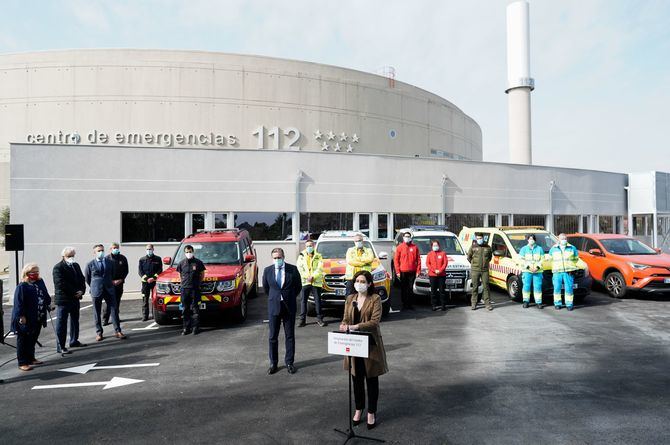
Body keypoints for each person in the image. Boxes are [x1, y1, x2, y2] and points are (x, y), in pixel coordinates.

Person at [339, 270, 388, 430]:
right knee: (356, 379)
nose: (359, 284)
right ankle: (359, 409)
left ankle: (371, 412)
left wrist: (356, 326)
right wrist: (344, 324)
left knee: (371, 380)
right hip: (353, 344)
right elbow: (346, 317)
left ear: (369, 284)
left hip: (370, 345)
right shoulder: (350, 298)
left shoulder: (375, 299)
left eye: (362, 281)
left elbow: (375, 321)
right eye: (357, 281)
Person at [262, 247, 302, 375]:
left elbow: (298, 286)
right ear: (272, 258)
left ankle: (289, 362)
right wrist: (275, 298)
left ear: (283, 257)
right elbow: (266, 288)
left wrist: (288, 296)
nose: (277, 260)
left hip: (289, 306)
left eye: (279, 257)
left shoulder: (292, 269)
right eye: (275, 258)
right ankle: (273, 363)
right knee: (273, 336)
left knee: (289, 336)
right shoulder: (267, 270)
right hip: (274, 307)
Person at [12, 263, 51, 371]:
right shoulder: (22, 286)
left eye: (37, 271)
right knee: (23, 339)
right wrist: (21, 316)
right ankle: (22, 362)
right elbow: (18, 303)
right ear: (27, 273)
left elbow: (45, 294)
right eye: (32, 272)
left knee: (33, 338)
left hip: (38, 315)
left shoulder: (39, 282)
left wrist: (48, 303)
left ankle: (31, 358)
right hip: (26, 317)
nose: (35, 274)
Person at [85, 244, 126, 341]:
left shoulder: (110, 262)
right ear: (94, 252)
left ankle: (118, 331)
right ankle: (99, 333)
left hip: (109, 288)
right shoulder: (90, 264)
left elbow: (111, 274)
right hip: (96, 290)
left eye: (102, 250)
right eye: (99, 251)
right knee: (97, 312)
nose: (101, 252)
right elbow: (87, 278)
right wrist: (95, 286)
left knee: (114, 309)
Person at [53, 246, 87, 352]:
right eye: (69, 256)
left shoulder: (75, 265)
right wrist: (74, 292)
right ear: (63, 256)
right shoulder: (58, 267)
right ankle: (61, 346)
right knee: (62, 323)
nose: (71, 258)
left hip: (75, 299)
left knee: (74, 320)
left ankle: (74, 341)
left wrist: (81, 291)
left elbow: (82, 279)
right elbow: (60, 284)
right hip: (64, 299)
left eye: (73, 256)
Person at [176, 245, 206, 335]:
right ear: (185, 253)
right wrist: (183, 283)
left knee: (195, 309)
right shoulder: (181, 263)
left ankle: (195, 328)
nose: (188, 253)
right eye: (187, 252)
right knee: (185, 309)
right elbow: (179, 275)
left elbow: (202, 274)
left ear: (193, 252)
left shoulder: (198, 263)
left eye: (190, 251)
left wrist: (198, 283)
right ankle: (186, 328)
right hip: (184, 289)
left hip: (194, 289)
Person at [296, 240, 327, 327]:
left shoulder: (318, 255)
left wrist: (313, 276)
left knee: (317, 301)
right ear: (305, 247)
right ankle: (302, 320)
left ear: (313, 246)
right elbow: (300, 268)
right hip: (305, 282)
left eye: (310, 245)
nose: (309, 247)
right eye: (307, 246)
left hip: (315, 282)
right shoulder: (301, 256)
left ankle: (319, 319)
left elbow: (320, 268)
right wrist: (307, 277)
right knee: (303, 301)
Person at [549, 233, 580, 311]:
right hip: (557, 272)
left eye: (565, 238)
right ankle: (557, 303)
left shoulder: (572, 248)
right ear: (558, 239)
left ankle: (569, 304)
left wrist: (571, 267)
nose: (564, 240)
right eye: (562, 239)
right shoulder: (553, 249)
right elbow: (550, 259)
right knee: (557, 288)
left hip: (568, 271)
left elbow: (576, 259)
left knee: (569, 288)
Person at [393, 231, 421, 310]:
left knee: (410, 288)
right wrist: (397, 272)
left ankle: (410, 304)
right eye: (405, 236)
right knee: (404, 289)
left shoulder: (415, 247)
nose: (407, 238)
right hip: (403, 271)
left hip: (412, 271)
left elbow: (418, 260)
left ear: (410, 238)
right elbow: (396, 260)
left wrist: (418, 271)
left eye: (408, 236)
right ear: (403, 237)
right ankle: (404, 304)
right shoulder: (400, 247)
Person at [102, 242, 129, 325]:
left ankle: (116, 318)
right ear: (110, 249)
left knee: (117, 301)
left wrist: (121, 279)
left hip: (120, 283)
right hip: (110, 284)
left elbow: (126, 271)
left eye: (117, 247)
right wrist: (111, 281)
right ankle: (105, 319)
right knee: (108, 302)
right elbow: (104, 272)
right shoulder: (106, 259)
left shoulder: (123, 258)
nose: (115, 249)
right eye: (114, 248)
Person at [467, 233, 493, 311]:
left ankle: (487, 304)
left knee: (486, 287)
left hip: (485, 270)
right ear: (476, 239)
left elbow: (490, 257)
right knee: (475, 287)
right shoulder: (473, 247)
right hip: (475, 270)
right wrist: (474, 264)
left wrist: (485, 264)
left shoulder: (487, 247)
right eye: (478, 238)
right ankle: (474, 303)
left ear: (483, 238)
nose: (479, 240)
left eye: (480, 238)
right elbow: (469, 257)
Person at [519, 235, 545, 309]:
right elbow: (521, 260)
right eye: (530, 239)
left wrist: (537, 268)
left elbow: (542, 260)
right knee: (526, 286)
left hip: (537, 271)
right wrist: (529, 267)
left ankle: (538, 302)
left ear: (535, 240)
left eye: (533, 239)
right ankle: (526, 301)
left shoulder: (540, 249)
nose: (531, 240)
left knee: (537, 287)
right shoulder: (523, 249)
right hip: (527, 271)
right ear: (527, 240)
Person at [138, 244, 163, 321]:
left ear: (153, 249)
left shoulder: (158, 259)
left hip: (154, 282)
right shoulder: (142, 260)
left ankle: (154, 314)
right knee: (145, 299)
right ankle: (145, 316)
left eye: (150, 249)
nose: (149, 250)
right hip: (145, 283)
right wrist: (146, 278)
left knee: (154, 299)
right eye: (147, 249)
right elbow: (140, 271)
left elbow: (160, 270)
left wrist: (154, 278)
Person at [426, 239, 449, 311]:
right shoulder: (429, 254)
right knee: (433, 291)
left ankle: (443, 305)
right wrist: (434, 270)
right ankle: (434, 305)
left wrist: (440, 270)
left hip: (441, 275)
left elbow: (445, 263)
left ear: (439, 246)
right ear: (432, 246)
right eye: (434, 245)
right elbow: (428, 264)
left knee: (442, 291)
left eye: (437, 245)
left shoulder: (443, 253)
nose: (435, 246)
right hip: (432, 275)